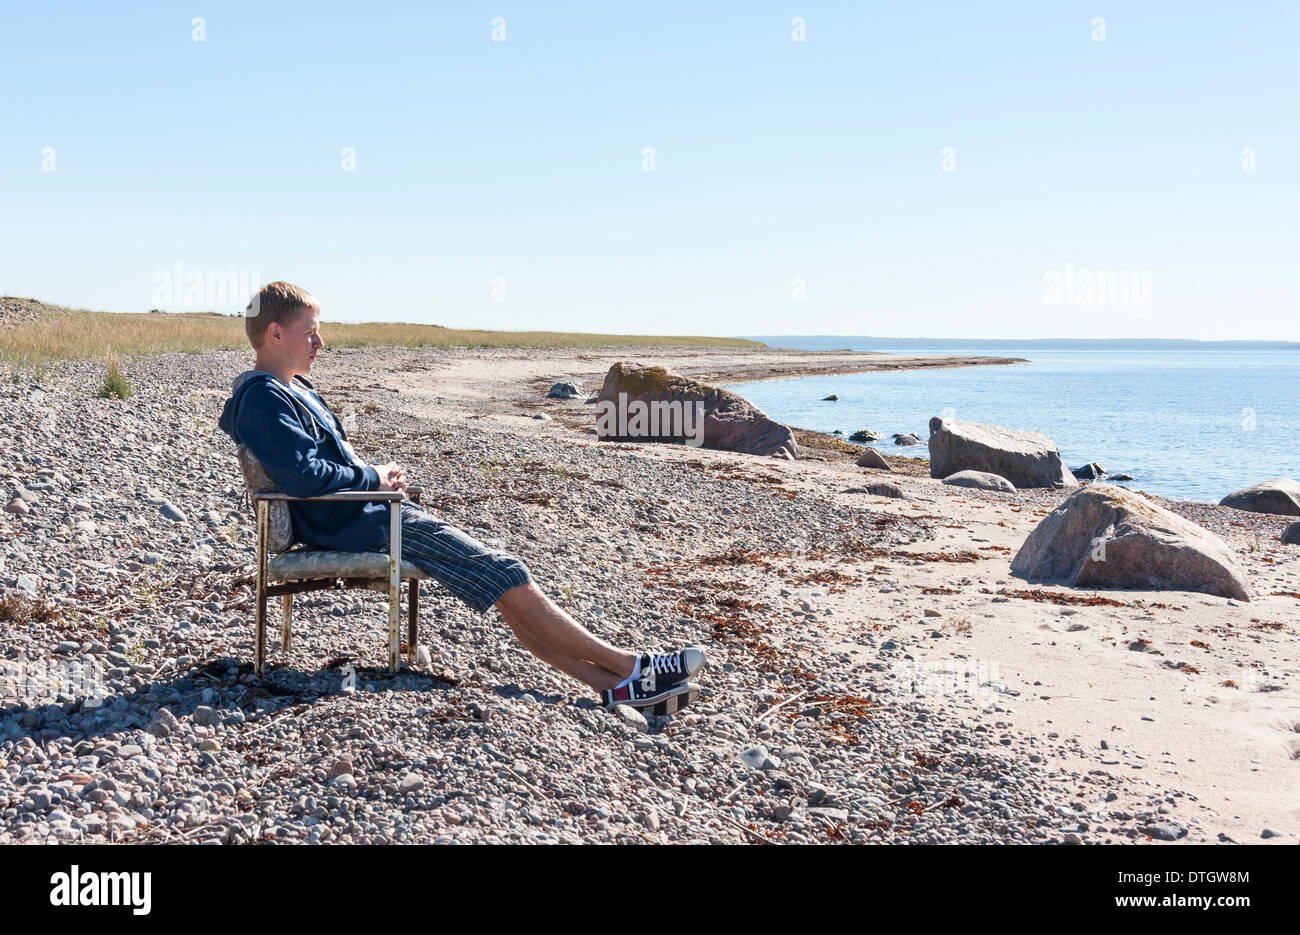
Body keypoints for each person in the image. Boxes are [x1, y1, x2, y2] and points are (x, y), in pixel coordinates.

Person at [217, 282, 705, 714]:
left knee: (499, 578)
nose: (321, 343)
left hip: (365, 513)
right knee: (505, 572)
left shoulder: (291, 388)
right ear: (275, 334)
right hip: (352, 522)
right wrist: (375, 478)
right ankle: (631, 666)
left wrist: (377, 482)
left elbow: (313, 469)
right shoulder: (265, 397)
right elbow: (301, 477)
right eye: (311, 332)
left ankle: (615, 685)